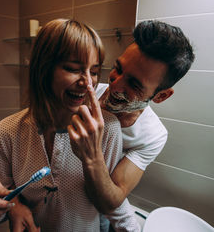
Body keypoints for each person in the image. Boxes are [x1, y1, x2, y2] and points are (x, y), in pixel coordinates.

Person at [0, 19, 139, 231]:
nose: (87, 82)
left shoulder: (108, 128)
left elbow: (111, 204)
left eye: (93, 71)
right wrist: (10, 206)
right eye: (73, 69)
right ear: (43, 69)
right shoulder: (6, 132)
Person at [68, 20, 195, 230]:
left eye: (134, 84)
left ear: (161, 96)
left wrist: (91, 156)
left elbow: (112, 199)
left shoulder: (152, 135)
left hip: (94, 216)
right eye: (118, 68)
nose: (115, 84)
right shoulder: (81, 93)